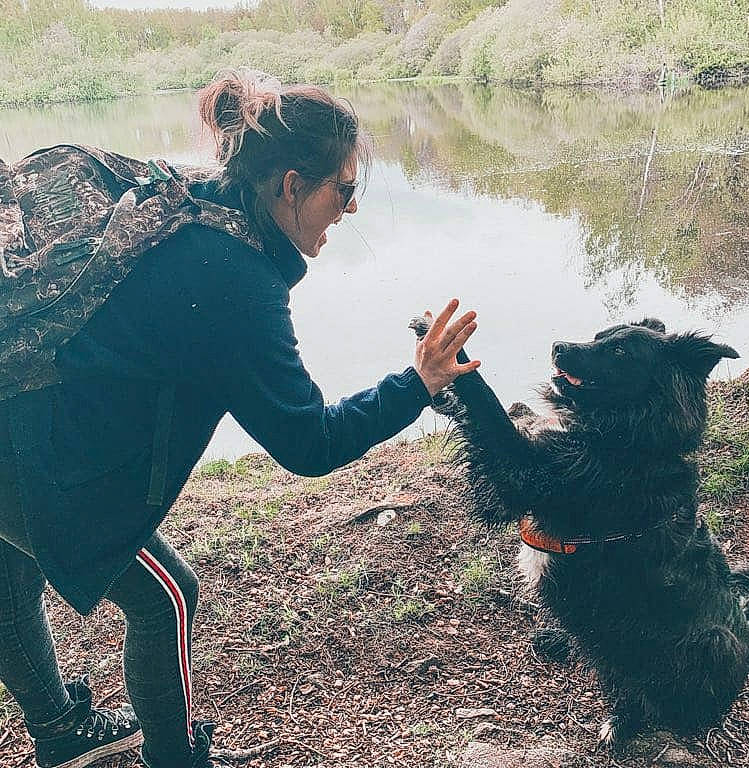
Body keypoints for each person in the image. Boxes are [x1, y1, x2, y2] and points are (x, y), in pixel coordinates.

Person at [0, 70, 480, 768]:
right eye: (344, 192)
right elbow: (310, 442)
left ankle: (59, 731)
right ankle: (175, 760)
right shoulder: (234, 281)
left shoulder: (192, 199)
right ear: (291, 186)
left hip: (16, 405)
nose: (350, 211)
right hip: (22, 441)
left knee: (11, 572)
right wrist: (420, 382)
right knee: (167, 600)